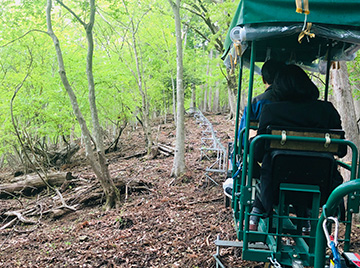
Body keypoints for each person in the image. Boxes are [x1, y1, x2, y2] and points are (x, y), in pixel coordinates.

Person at [249, 64, 345, 231]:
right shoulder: (327, 110)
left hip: (275, 186)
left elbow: (257, 154)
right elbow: (342, 150)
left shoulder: (271, 110)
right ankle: (306, 217)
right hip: (320, 185)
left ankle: (257, 208)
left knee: (258, 158)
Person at [223, 59, 285, 198]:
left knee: (239, 149)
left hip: (264, 158)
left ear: (263, 79)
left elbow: (242, 138)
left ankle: (234, 180)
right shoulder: (295, 104)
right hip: (297, 159)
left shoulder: (257, 102)